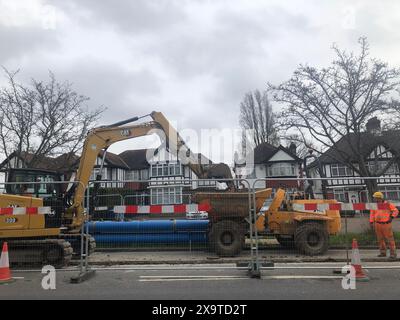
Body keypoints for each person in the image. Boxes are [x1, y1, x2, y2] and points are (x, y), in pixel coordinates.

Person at [370, 191, 398, 260]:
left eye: (376, 198)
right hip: (377, 224)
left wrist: (391, 217)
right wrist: (371, 222)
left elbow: (395, 210)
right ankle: (383, 252)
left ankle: (393, 254)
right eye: (375, 198)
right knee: (380, 239)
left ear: (379, 198)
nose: (375, 199)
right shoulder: (374, 205)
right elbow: (372, 214)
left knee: (390, 239)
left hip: (386, 224)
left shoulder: (387, 204)